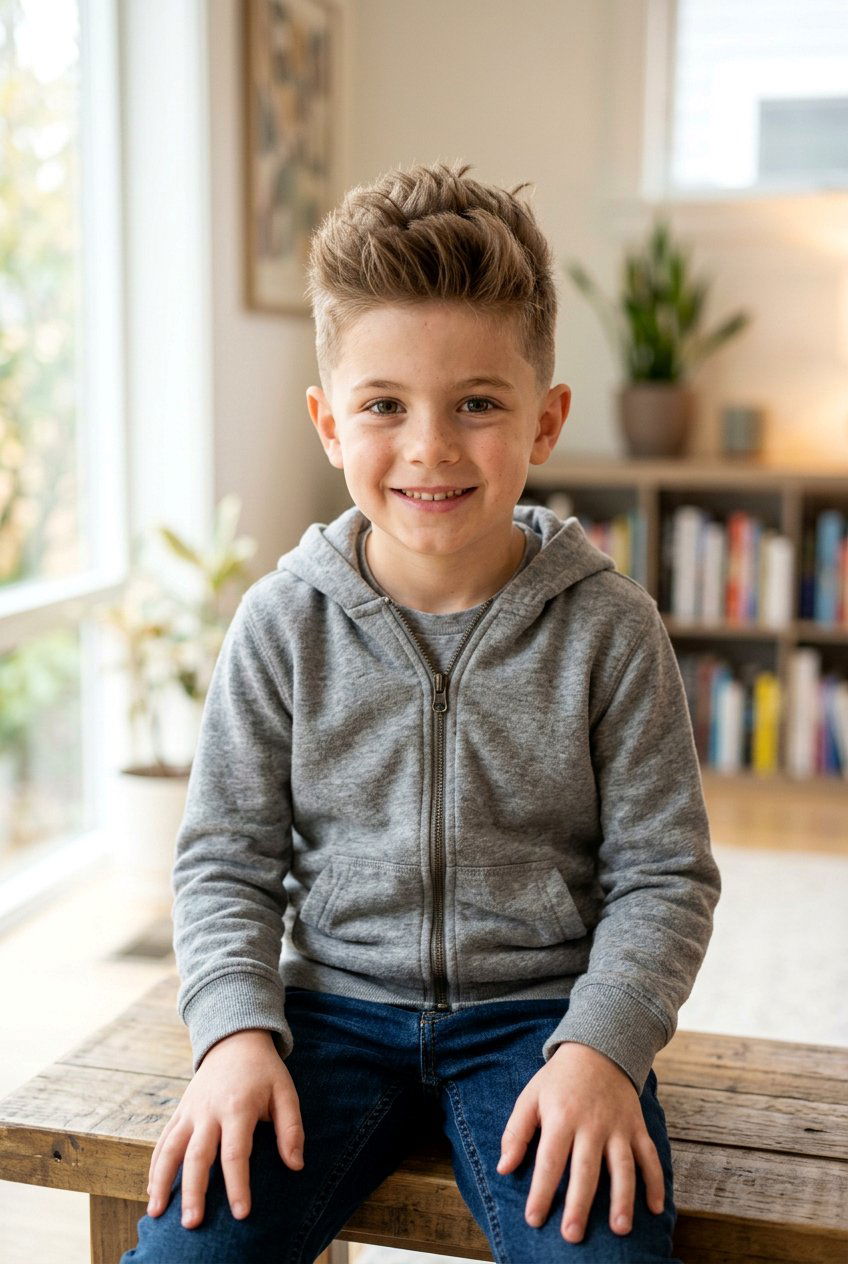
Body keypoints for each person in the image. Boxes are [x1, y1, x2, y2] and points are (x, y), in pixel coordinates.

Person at [122, 159, 721, 1263]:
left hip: (541, 1024)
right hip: (325, 1018)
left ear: (544, 421)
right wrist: (234, 1034)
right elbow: (223, 860)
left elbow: (663, 875)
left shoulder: (609, 627)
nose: (430, 447)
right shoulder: (279, 623)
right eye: (383, 405)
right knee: (189, 1245)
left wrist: (602, 1049)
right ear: (327, 422)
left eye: (477, 404)